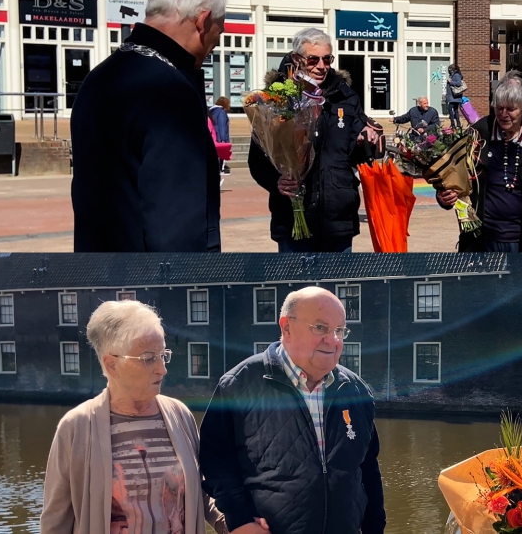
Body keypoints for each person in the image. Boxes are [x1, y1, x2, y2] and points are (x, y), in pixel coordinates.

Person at [199, 286, 386, 534]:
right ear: (286, 327)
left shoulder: (356, 390)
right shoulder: (238, 385)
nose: (333, 340)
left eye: (339, 330)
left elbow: (368, 470)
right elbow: (216, 463)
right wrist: (239, 520)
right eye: (320, 328)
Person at [41, 300, 228, 534]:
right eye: (149, 358)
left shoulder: (180, 416)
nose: (162, 369)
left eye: (163, 356)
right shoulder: (76, 427)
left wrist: (236, 524)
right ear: (112, 365)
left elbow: (199, 493)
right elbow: (55, 522)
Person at [71, 0, 224, 252]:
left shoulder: (98, 77)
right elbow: (177, 220)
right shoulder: (168, 89)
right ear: (204, 20)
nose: (215, 42)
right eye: (219, 31)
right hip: (152, 278)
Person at [248, 28, 379, 253]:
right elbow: (257, 159)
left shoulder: (346, 96)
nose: (322, 66)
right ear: (297, 59)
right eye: (313, 59)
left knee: (336, 288)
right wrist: (276, 182)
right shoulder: (278, 98)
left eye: (327, 59)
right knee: (298, 288)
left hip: (338, 217)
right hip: (292, 217)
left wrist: (367, 140)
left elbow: (355, 154)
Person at [436, 70, 522, 253]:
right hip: (481, 241)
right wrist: (444, 196)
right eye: (499, 108)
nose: (503, 114)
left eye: (511, 109)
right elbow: (454, 180)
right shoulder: (477, 136)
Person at [445, 64, 464, 128]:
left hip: (454, 97)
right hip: (454, 97)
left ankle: (453, 123)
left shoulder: (456, 75)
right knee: (455, 110)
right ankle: (458, 123)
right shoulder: (453, 75)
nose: (449, 71)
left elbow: (458, 83)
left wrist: (450, 82)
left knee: (450, 108)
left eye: (450, 70)